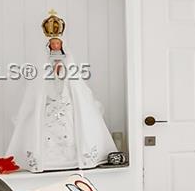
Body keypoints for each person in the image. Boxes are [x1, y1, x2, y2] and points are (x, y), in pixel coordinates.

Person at [6, 10, 115, 171]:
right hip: (49, 96)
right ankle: (47, 160)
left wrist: (62, 70)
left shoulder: (68, 58)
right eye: (53, 43)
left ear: (62, 45)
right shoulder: (43, 58)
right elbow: (40, 78)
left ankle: (74, 159)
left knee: (72, 123)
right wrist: (51, 71)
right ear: (49, 45)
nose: (55, 45)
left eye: (58, 43)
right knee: (45, 125)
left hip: (66, 95)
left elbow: (73, 76)